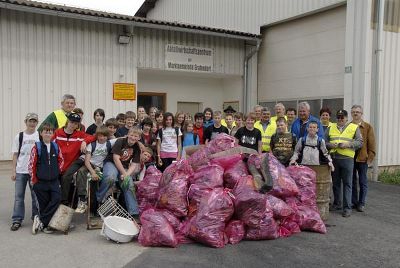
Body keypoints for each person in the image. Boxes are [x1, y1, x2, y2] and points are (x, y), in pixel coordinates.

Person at [97, 128, 143, 218]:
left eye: (136, 136)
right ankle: (98, 199)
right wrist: (124, 173)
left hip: (125, 167)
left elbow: (134, 164)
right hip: (111, 163)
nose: (133, 137)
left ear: (139, 138)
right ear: (128, 134)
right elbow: (115, 158)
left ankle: (133, 212)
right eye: (132, 135)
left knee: (129, 184)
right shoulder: (120, 141)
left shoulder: (137, 147)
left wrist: (127, 175)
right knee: (110, 177)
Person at [325, 109, 363, 218]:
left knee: (347, 184)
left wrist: (348, 144)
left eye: (342, 117)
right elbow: (324, 141)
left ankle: (347, 208)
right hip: (334, 158)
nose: (340, 119)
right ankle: (337, 203)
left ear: (346, 118)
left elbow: (360, 142)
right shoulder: (330, 127)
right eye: (338, 117)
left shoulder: (354, 127)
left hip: (347, 159)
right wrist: (331, 145)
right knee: (336, 183)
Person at [53, 113, 96, 206]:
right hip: (58, 164)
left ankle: (64, 203)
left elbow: (94, 137)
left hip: (72, 164)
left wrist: (84, 141)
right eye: (72, 122)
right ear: (68, 121)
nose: (73, 125)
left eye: (76, 123)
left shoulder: (80, 135)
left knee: (66, 177)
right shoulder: (57, 133)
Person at [29, 123, 64, 234]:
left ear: (53, 134)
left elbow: (61, 160)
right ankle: (45, 226)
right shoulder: (37, 147)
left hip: (54, 181)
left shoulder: (55, 146)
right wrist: (34, 180)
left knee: (56, 199)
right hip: (40, 182)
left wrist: (57, 172)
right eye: (46, 131)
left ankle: (40, 220)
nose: (48, 133)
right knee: (43, 204)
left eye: (50, 132)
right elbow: (31, 165)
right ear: (41, 133)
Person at [74, 126, 116, 213]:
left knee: (100, 181)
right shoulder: (92, 145)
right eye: (100, 136)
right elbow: (86, 161)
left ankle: (98, 203)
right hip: (90, 164)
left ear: (107, 136)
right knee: (81, 171)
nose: (102, 138)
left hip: (100, 167)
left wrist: (140, 144)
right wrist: (92, 172)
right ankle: (82, 198)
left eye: (104, 136)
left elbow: (122, 138)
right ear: (97, 136)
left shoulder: (109, 143)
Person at [10, 113, 40, 231]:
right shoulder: (20, 136)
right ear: (26, 122)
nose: (32, 123)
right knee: (19, 197)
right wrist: (13, 171)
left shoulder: (39, 136)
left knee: (35, 196)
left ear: (37, 123)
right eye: (30, 121)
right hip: (21, 171)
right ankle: (17, 219)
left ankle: (36, 217)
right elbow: (15, 154)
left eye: (34, 121)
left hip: (34, 171)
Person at [351, 105, 376, 212]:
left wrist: (370, 158)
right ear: (351, 114)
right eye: (354, 112)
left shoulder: (368, 127)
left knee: (362, 182)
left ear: (361, 114)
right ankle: (354, 202)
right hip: (350, 158)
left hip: (362, 158)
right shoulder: (349, 126)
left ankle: (361, 203)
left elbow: (372, 144)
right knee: (352, 182)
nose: (356, 113)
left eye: (358, 112)